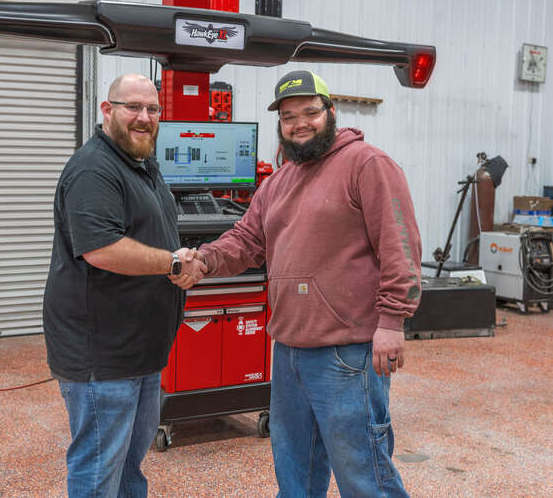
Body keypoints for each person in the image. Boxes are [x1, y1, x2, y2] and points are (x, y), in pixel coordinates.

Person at [183, 70, 422, 497]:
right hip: (289, 349)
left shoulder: (367, 164)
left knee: (364, 473)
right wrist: (203, 260)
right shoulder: (279, 182)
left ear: (331, 111)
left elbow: (400, 245)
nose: (300, 124)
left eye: (310, 112)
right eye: (289, 117)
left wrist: (392, 321)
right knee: (295, 472)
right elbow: (247, 240)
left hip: (347, 351)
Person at [42, 73, 207, 498]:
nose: (144, 117)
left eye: (152, 109)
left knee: (129, 467)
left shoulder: (142, 164)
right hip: (103, 356)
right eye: (133, 106)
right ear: (107, 110)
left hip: (140, 352)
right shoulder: (94, 169)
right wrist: (174, 262)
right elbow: (102, 249)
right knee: (99, 469)